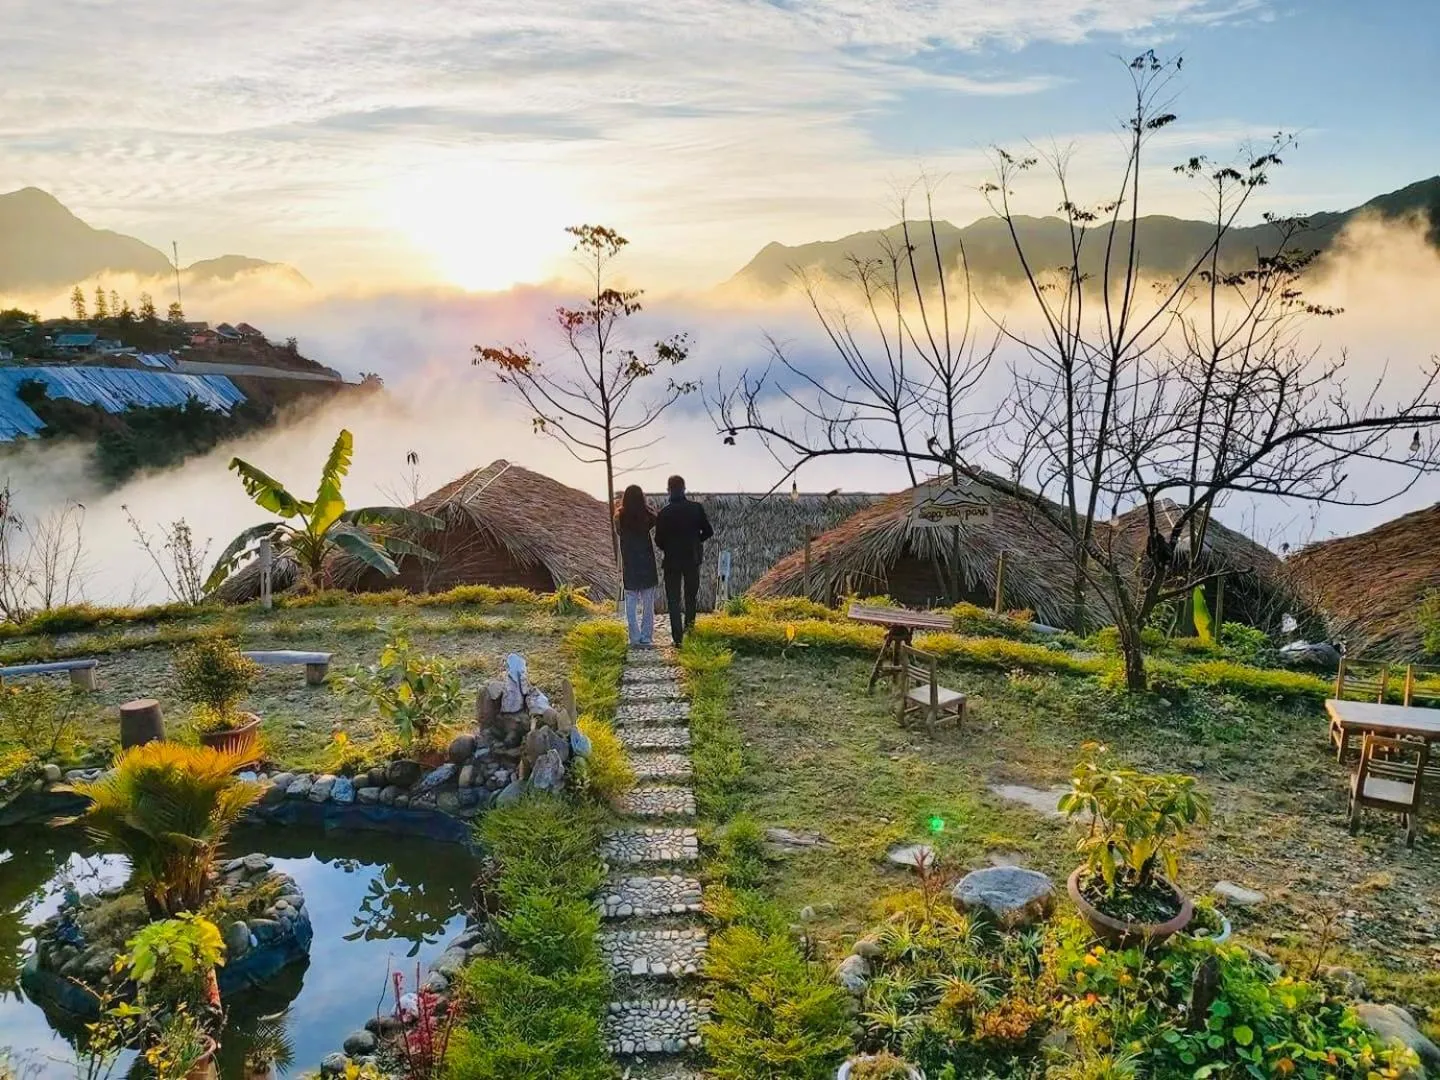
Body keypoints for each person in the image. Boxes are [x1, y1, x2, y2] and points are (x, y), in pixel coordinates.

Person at [653, 474, 713, 648]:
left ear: (669, 490)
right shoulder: (696, 508)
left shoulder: (664, 513)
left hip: (672, 560)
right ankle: (690, 630)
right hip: (692, 558)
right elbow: (708, 531)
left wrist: (670, 547)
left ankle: (677, 637)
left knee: (673, 599)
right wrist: (695, 541)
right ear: (684, 488)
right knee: (690, 596)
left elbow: (658, 540)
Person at [614, 484, 659, 646]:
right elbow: (655, 518)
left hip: (630, 564)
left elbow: (619, 532)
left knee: (630, 604)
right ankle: (646, 637)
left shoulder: (619, 518)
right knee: (648, 604)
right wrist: (645, 507)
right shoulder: (646, 516)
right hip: (646, 563)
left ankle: (634, 637)